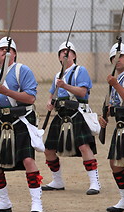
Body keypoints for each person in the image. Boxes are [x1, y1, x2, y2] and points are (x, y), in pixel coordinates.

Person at [0, 36, 44, 212]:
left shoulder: (22, 71)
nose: (5, 52)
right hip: (2, 123)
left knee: (28, 160)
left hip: (21, 121)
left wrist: (6, 92)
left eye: (8, 49)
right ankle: (4, 202)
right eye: (1, 50)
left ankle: (36, 203)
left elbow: (30, 98)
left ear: (15, 54)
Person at [41, 41, 101, 195]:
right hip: (61, 114)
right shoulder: (57, 75)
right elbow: (52, 94)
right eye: (61, 52)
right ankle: (57, 181)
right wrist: (49, 102)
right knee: (48, 149)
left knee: (84, 146)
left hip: (77, 112)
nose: (64, 54)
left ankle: (95, 182)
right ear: (59, 57)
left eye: (68, 51)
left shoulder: (80, 70)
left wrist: (65, 86)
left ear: (74, 55)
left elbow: (82, 92)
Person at [99, 42, 124, 212]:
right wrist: (104, 116)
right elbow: (114, 104)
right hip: (121, 125)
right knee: (115, 163)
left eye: (121, 56)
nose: (117, 60)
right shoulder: (114, 80)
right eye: (114, 57)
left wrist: (115, 84)